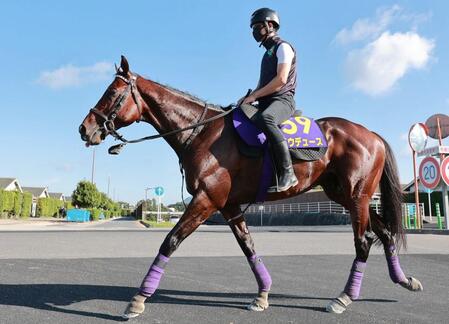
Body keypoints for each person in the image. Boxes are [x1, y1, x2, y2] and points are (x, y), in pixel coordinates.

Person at [241, 8, 298, 192]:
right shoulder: (266, 54)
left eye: (257, 26)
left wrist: (255, 96)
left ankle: (288, 174)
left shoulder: (283, 47)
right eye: (253, 28)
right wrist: (247, 98)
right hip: (267, 101)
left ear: (270, 25)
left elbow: (281, 80)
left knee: (267, 118)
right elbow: (260, 85)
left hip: (283, 100)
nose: (254, 32)